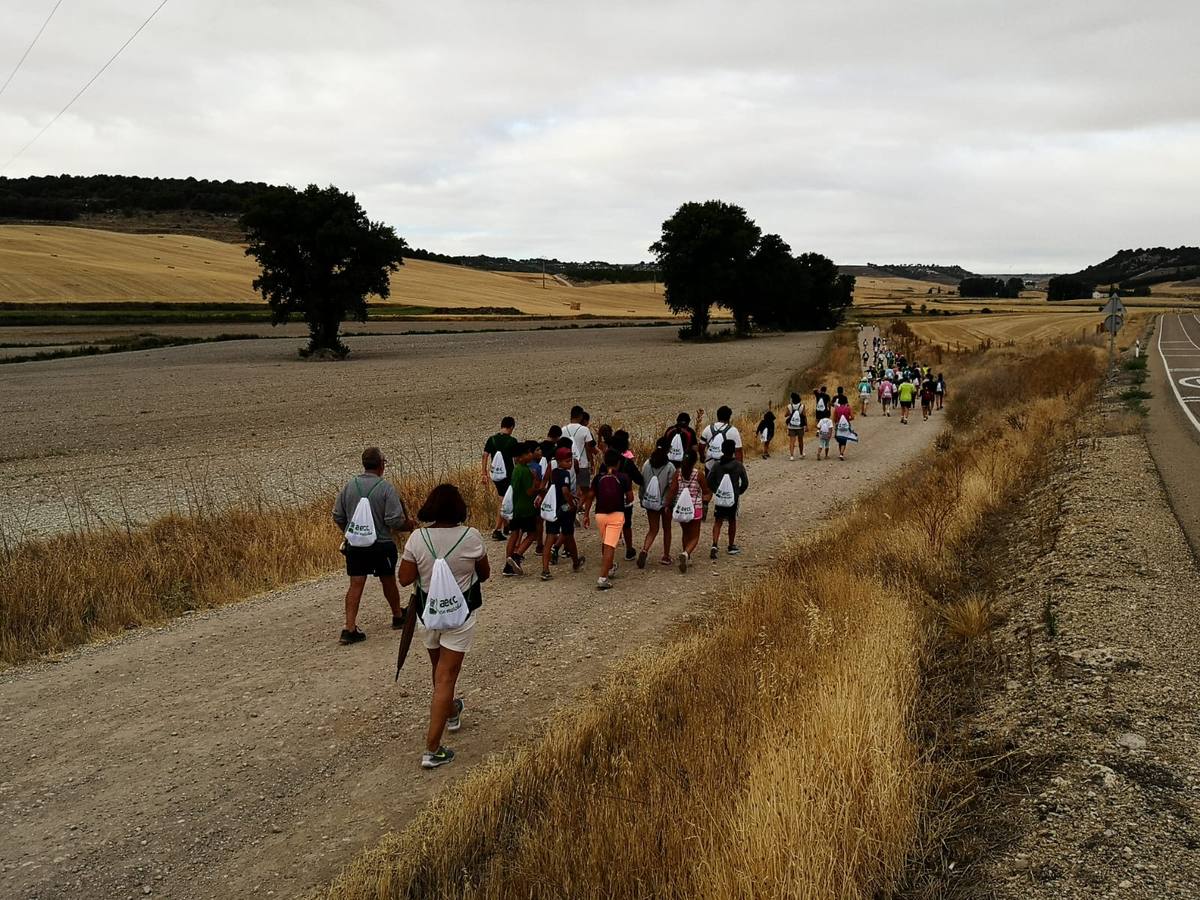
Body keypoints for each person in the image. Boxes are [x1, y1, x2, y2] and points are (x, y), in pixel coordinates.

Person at [398, 484, 489, 769]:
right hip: (460, 617)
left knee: (439, 674)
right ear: (459, 508)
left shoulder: (417, 538)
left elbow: (404, 579)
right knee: (446, 677)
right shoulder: (471, 537)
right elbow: (484, 574)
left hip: (430, 614)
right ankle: (432, 749)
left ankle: (451, 711)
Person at [331, 447, 415, 645]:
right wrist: (409, 525)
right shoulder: (386, 488)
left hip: (355, 546)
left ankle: (349, 628)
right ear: (381, 465)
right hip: (381, 545)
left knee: (355, 584)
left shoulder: (349, 486)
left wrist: (350, 532)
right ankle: (397, 615)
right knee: (387, 580)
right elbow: (394, 519)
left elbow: (337, 515)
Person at [589, 449, 633, 590]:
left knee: (605, 542)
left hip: (600, 514)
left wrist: (584, 514)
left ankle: (610, 566)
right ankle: (603, 577)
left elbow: (591, 495)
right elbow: (630, 497)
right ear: (619, 462)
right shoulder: (623, 477)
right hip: (617, 514)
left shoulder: (598, 478)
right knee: (610, 545)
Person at [539, 447, 584, 580]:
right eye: (566, 461)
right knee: (569, 535)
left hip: (553, 508)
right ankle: (575, 562)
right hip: (564, 508)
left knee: (549, 538)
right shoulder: (565, 474)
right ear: (559, 461)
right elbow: (564, 491)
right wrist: (571, 503)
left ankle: (545, 569)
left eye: (570, 461)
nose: (569, 463)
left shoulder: (554, 472)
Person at [638, 438, 676, 568]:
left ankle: (644, 550)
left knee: (653, 529)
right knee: (667, 529)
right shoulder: (670, 467)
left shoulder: (647, 464)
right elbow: (672, 487)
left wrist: (642, 499)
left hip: (650, 502)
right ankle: (666, 555)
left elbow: (642, 483)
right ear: (668, 449)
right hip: (665, 503)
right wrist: (671, 503)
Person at [707, 442, 749, 557]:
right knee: (732, 521)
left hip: (721, 498)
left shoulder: (717, 465)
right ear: (733, 451)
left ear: (722, 449)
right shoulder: (738, 465)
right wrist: (738, 492)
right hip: (733, 498)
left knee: (718, 521)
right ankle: (731, 545)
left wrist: (717, 491)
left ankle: (715, 544)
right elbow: (745, 482)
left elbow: (709, 480)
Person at [671, 448, 710, 572]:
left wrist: (668, 505)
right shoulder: (698, 475)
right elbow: (706, 492)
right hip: (695, 508)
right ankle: (686, 553)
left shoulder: (677, 473)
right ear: (695, 461)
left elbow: (672, 491)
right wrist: (705, 501)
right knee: (695, 536)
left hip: (681, 508)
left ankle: (687, 555)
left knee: (685, 533)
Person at [503, 442, 539, 575]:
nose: (531, 455)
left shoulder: (516, 469)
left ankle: (508, 565)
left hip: (516, 506)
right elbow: (529, 492)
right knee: (532, 534)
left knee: (514, 533)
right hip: (526, 507)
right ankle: (517, 556)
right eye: (528, 453)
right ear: (521, 457)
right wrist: (536, 482)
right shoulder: (525, 471)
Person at [482, 417, 519, 541]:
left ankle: (506, 525)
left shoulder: (491, 440)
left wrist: (484, 473)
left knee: (502, 498)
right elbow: (516, 460)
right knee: (505, 501)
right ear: (511, 427)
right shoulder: (512, 441)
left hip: (496, 475)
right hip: (508, 475)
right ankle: (497, 530)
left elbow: (485, 455)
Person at [610, 430, 644, 561]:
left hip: (609, 498)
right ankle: (629, 549)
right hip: (624, 498)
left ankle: (609, 551)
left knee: (611, 525)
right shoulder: (626, 462)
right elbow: (639, 480)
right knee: (627, 525)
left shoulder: (606, 461)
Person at [562, 407, 597, 527]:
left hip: (567, 464)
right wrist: (591, 462)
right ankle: (579, 511)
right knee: (586, 491)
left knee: (571, 490)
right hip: (582, 464)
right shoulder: (584, 430)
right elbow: (588, 448)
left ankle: (570, 512)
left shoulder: (563, 430)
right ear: (581, 416)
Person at [700, 405, 743, 474]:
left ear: (717, 416)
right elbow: (738, 451)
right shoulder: (733, 431)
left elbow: (701, 446)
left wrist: (702, 458)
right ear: (729, 417)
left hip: (710, 465)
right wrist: (739, 469)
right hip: (727, 467)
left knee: (709, 484)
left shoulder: (708, 428)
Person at [784, 392, 806, 460]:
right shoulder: (802, 406)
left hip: (791, 426)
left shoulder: (789, 406)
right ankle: (801, 454)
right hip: (800, 426)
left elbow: (786, 415)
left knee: (792, 441)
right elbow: (804, 416)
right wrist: (806, 425)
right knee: (800, 440)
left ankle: (791, 455)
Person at [832, 394, 855, 461]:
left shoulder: (836, 409)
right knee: (844, 440)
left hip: (838, 425)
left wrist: (837, 423)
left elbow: (834, 418)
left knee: (839, 439)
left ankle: (840, 453)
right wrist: (847, 420)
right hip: (846, 425)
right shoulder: (848, 408)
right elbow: (853, 417)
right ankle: (841, 453)